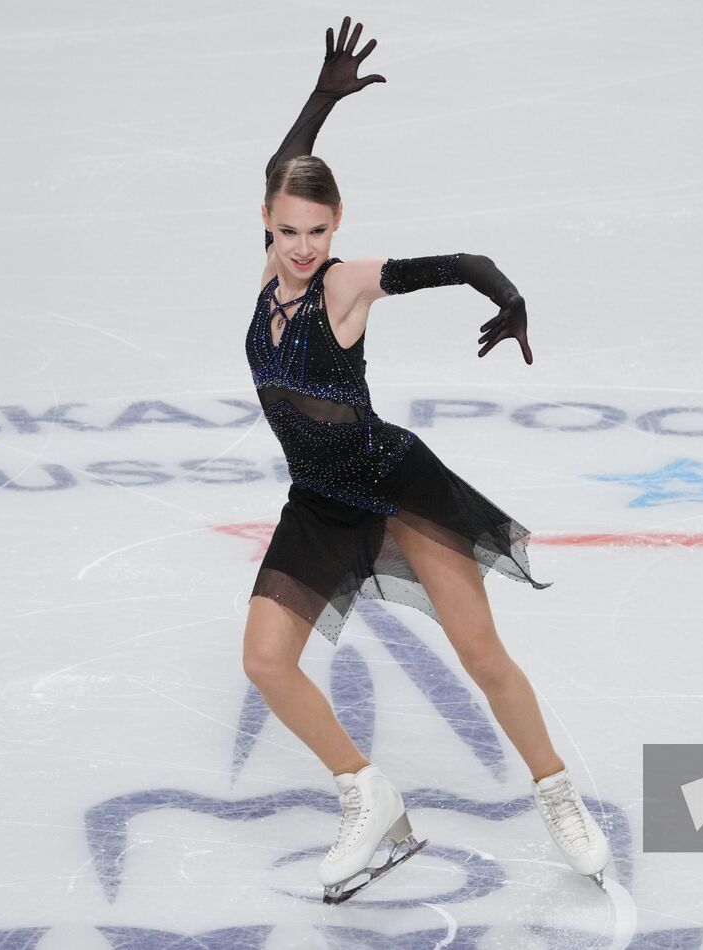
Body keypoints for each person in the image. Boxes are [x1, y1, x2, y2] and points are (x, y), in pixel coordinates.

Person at [242, 16, 610, 904]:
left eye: (318, 229)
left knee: (481, 655)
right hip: (318, 500)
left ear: (337, 223)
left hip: (396, 487)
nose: (303, 246)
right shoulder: (268, 276)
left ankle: (557, 792)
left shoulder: (342, 284)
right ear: (267, 223)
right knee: (264, 661)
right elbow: (284, 160)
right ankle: (368, 795)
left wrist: (509, 299)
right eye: (289, 230)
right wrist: (321, 98)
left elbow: (465, 262)